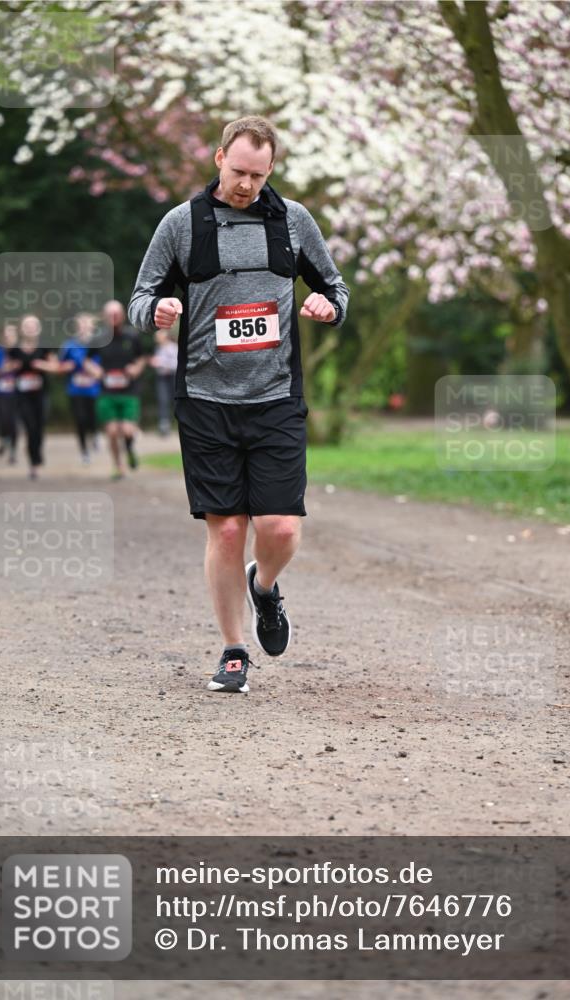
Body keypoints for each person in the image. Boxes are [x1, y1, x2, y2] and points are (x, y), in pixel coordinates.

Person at [129, 115, 349, 693]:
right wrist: (156, 312)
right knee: (225, 530)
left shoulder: (293, 221)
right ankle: (232, 651)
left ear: (270, 169)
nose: (246, 184)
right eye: (238, 170)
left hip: (276, 397)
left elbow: (335, 287)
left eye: (258, 174)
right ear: (218, 157)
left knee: (278, 527)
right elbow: (141, 295)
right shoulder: (183, 224)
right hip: (205, 400)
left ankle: (265, 586)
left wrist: (329, 306)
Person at [84, 301, 147, 480]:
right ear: (104, 317)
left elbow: (142, 358)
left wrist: (136, 369)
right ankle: (118, 466)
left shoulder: (132, 336)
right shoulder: (98, 338)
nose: (114, 318)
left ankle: (129, 449)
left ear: (123, 315)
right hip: (107, 392)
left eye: (117, 314)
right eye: (110, 315)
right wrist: (95, 371)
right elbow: (87, 361)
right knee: (111, 431)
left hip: (129, 391)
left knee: (127, 430)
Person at [7, 315, 59, 479]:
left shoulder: (44, 348)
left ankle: (37, 452)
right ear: (22, 329)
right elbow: (5, 368)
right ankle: (33, 463)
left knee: (39, 427)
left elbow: (56, 367)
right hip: (22, 396)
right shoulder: (14, 349)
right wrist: (12, 367)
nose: (30, 328)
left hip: (41, 394)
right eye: (27, 326)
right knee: (29, 427)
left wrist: (42, 365)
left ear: (38, 329)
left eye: (33, 325)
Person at [59, 312, 101, 463]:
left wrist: (98, 371)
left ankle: (95, 434)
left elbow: (106, 364)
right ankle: (84, 451)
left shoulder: (98, 344)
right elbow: (60, 366)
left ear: (93, 326)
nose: (84, 326)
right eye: (81, 323)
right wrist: (68, 367)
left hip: (94, 389)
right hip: (75, 389)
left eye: (87, 323)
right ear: (76, 326)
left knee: (92, 417)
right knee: (80, 419)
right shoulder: (69, 345)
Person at [0, 322, 19, 463]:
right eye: (6, 333)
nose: (9, 336)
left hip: (17, 392)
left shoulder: (20, 351)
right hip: (0, 391)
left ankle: (13, 451)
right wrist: (2, 370)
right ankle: (3, 439)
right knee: (3, 419)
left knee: (13, 421)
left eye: (12, 333)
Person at [150, 329, 178, 435]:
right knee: (163, 400)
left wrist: (160, 363)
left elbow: (175, 364)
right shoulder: (158, 348)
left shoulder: (173, 347)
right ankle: (164, 425)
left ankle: (180, 422)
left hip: (172, 377)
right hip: (161, 378)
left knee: (175, 400)